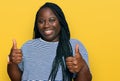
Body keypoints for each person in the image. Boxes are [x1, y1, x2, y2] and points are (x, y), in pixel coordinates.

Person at [7, 2, 92, 81]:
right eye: (41, 21)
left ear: (60, 21)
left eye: (52, 20)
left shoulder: (74, 46)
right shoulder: (27, 46)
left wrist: (83, 67)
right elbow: (17, 79)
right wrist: (12, 63)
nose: (46, 25)